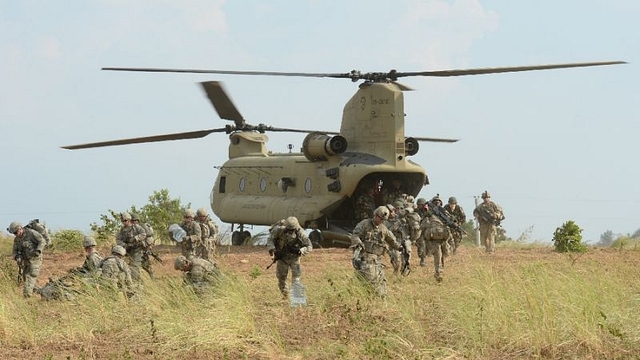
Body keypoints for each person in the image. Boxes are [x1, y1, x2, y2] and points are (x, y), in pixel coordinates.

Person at [351, 206, 406, 296]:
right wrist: (358, 243)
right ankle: (370, 298)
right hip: (365, 258)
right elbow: (355, 235)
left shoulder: (383, 229)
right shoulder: (364, 224)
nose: (381, 221)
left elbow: (391, 240)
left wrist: (399, 247)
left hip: (377, 259)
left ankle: (379, 298)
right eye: (380, 219)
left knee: (380, 280)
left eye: (383, 220)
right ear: (375, 215)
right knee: (370, 280)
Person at [266, 216, 312, 298]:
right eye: (289, 230)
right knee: (281, 278)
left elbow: (309, 246)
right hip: (282, 258)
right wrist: (273, 251)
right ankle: (285, 295)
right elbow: (270, 240)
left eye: (292, 230)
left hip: (295, 258)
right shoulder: (279, 230)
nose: (290, 232)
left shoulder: (300, 233)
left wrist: (300, 251)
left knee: (296, 279)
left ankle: (297, 299)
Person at [8, 221, 45, 297]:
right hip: (25, 261)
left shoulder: (31, 233)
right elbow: (14, 250)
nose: (15, 234)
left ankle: (27, 297)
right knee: (25, 278)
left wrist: (38, 250)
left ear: (20, 228)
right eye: (14, 233)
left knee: (30, 277)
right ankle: (41, 291)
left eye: (16, 232)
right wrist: (16, 257)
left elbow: (42, 241)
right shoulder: (17, 239)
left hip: (35, 260)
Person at [420, 207, 452, 282]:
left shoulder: (445, 216)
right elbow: (422, 227)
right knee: (438, 256)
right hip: (434, 241)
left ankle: (440, 270)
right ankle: (439, 273)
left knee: (444, 255)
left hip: (444, 240)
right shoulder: (428, 218)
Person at [115, 212, 147, 281]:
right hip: (127, 251)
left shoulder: (136, 227)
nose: (123, 222)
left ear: (129, 220)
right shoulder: (122, 230)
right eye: (122, 221)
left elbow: (144, 234)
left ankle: (136, 282)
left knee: (135, 267)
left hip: (137, 250)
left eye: (125, 220)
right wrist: (124, 245)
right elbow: (118, 240)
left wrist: (136, 238)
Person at [131, 213, 156, 279]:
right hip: (134, 251)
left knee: (146, 266)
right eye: (132, 221)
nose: (133, 223)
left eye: (134, 221)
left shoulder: (142, 229)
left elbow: (149, 240)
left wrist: (148, 246)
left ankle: (152, 278)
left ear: (138, 221)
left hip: (142, 250)